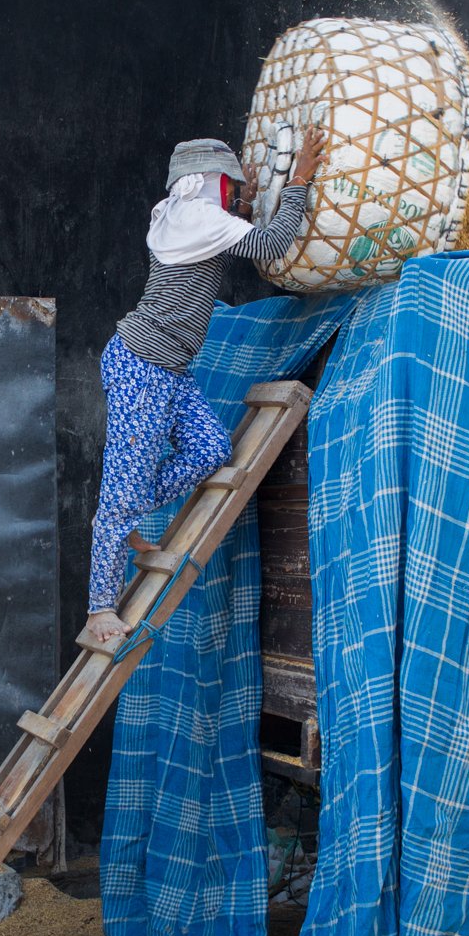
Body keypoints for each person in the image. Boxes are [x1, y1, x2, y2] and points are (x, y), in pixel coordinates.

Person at [85, 127, 327, 646]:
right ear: (211, 184)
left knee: (210, 448)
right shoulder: (199, 217)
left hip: (167, 368)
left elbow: (232, 223)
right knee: (120, 495)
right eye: (232, 186)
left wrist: (251, 192)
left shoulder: (180, 214)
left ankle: (122, 513)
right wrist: (299, 181)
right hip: (142, 367)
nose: (236, 196)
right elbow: (272, 242)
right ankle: (100, 608)